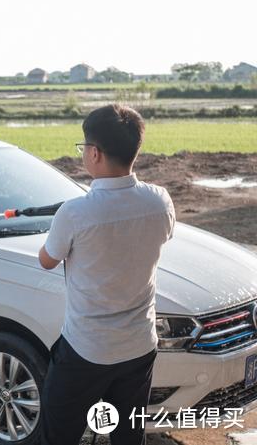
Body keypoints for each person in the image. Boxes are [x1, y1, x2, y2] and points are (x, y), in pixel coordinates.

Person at [37, 104, 175, 445]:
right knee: (129, 436)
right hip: (139, 345)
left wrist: (62, 226)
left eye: (83, 147)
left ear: (95, 153)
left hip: (86, 349)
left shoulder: (74, 213)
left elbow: (47, 260)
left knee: (59, 434)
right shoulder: (160, 201)